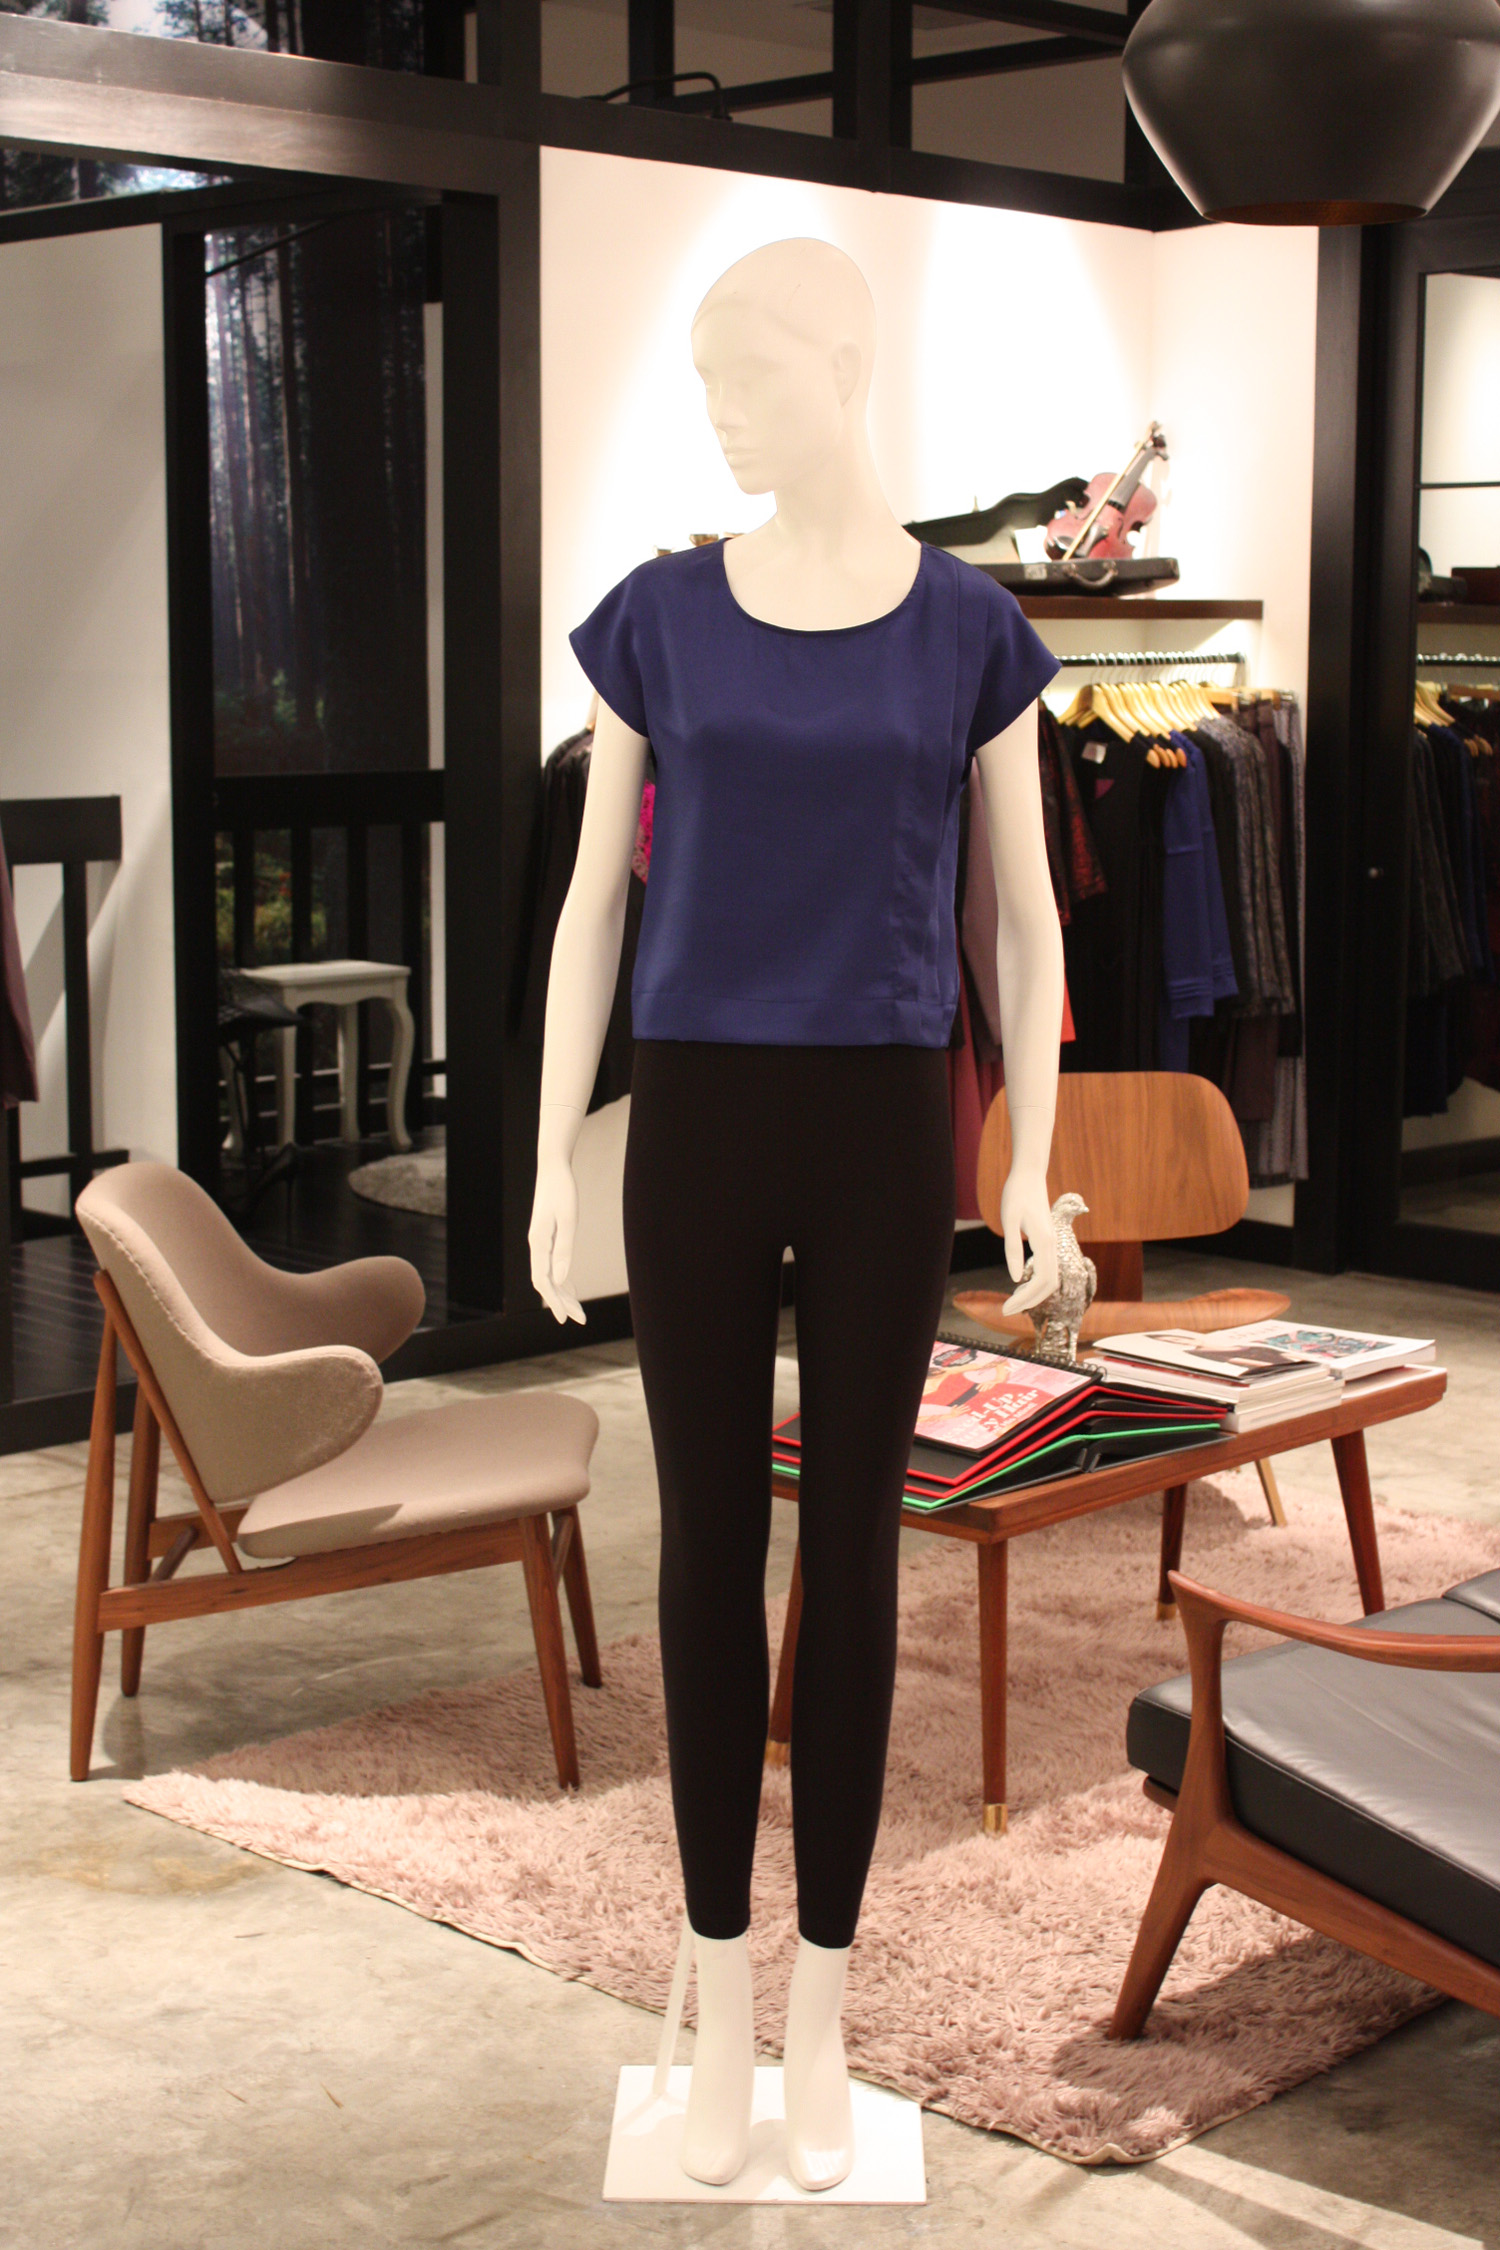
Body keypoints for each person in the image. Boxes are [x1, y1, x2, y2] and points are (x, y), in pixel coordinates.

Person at [529, 237, 1064, 2192]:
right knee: (706, 1551)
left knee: (850, 1554)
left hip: (878, 1121)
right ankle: (713, 1994)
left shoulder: (973, 633)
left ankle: (822, 2016)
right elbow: (592, 904)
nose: (719, 415)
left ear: (841, 368)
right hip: (696, 1114)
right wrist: (545, 1152)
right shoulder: (659, 621)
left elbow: (1027, 921)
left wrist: (1026, 1157)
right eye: (700, 382)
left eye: (741, 375)